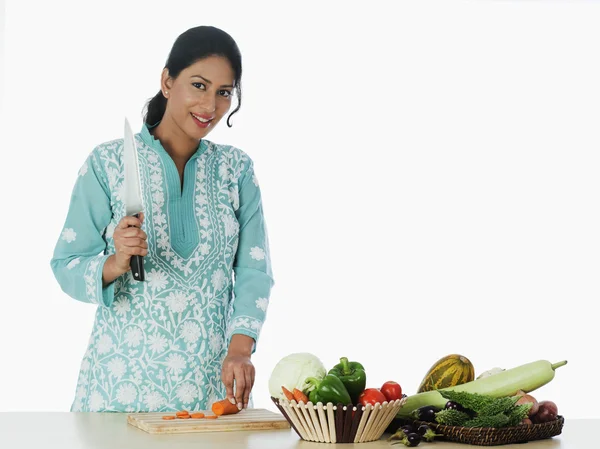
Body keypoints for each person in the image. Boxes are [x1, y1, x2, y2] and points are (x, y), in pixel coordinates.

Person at [50, 26, 273, 413]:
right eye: (199, 85)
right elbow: (66, 263)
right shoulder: (109, 163)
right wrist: (114, 263)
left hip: (210, 398)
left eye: (224, 92)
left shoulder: (236, 170)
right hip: (115, 396)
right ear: (167, 81)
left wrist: (240, 350)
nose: (210, 105)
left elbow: (255, 271)